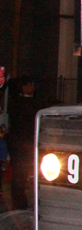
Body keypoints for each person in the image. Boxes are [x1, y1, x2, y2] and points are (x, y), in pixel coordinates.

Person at [6, 75, 41, 210]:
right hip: (22, 144)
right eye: (29, 84)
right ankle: (19, 203)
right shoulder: (21, 104)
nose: (32, 86)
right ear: (23, 87)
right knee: (20, 174)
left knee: (22, 173)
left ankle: (21, 202)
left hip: (22, 143)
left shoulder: (20, 103)